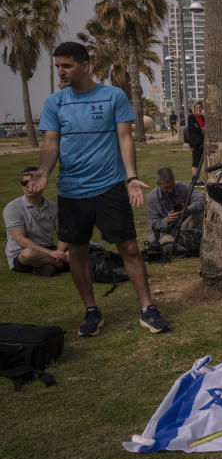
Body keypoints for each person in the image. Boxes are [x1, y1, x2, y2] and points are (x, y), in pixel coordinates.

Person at [27, 41, 170, 336]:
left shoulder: (112, 96)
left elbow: (125, 138)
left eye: (66, 66)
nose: (60, 72)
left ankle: (148, 308)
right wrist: (43, 172)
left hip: (109, 187)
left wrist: (131, 178)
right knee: (77, 252)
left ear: (85, 65)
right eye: (57, 67)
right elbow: (51, 144)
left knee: (129, 247)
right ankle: (91, 310)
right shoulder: (55, 102)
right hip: (72, 191)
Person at [4, 166, 69, 276]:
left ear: (41, 184)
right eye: (24, 183)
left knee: (77, 250)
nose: (27, 186)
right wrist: (51, 253)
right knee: (30, 254)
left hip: (48, 248)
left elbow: (63, 233)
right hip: (22, 252)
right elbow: (20, 240)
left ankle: (43, 266)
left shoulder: (54, 207)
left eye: (31, 182)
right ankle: (60, 265)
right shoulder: (12, 208)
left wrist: (60, 251)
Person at [146, 168, 204, 244]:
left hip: (184, 227)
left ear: (174, 180)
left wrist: (188, 210)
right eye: (166, 187)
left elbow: (201, 200)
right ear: (158, 184)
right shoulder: (152, 199)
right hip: (164, 233)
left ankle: (188, 241)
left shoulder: (182, 187)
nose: (170, 190)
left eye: (172, 186)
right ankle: (185, 243)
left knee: (201, 212)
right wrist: (167, 220)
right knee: (167, 245)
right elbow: (154, 225)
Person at [186, 101, 204, 178]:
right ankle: (196, 180)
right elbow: (195, 129)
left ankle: (199, 179)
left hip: (202, 143)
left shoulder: (203, 117)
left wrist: (201, 129)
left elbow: (201, 129)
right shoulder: (191, 117)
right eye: (197, 107)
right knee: (196, 162)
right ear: (194, 108)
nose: (199, 109)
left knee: (200, 162)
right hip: (195, 143)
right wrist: (202, 129)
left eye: (200, 107)